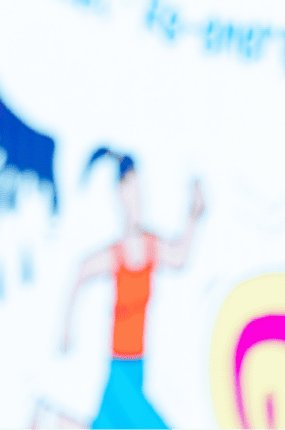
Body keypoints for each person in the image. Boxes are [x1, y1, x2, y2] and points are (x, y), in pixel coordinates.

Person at [61, 149, 204, 430]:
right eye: (131, 191)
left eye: (140, 191)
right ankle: (45, 420)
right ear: (120, 195)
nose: (137, 200)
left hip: (138, 367)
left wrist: (193, 215)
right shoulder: (116, 255)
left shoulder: (152, 247)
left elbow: (179, 257)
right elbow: (81, 272)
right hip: (119, 368)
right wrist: (67, 328)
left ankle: (45, 419)